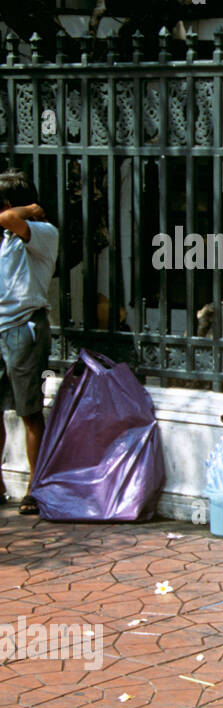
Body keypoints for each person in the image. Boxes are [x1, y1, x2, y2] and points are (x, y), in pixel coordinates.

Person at [0, 169, 58, 516]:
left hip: (25, 329)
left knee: (29, 411)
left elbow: (9, 217)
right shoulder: (5, 238)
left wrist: (27, 211)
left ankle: (34, 488)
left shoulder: (42, 233)